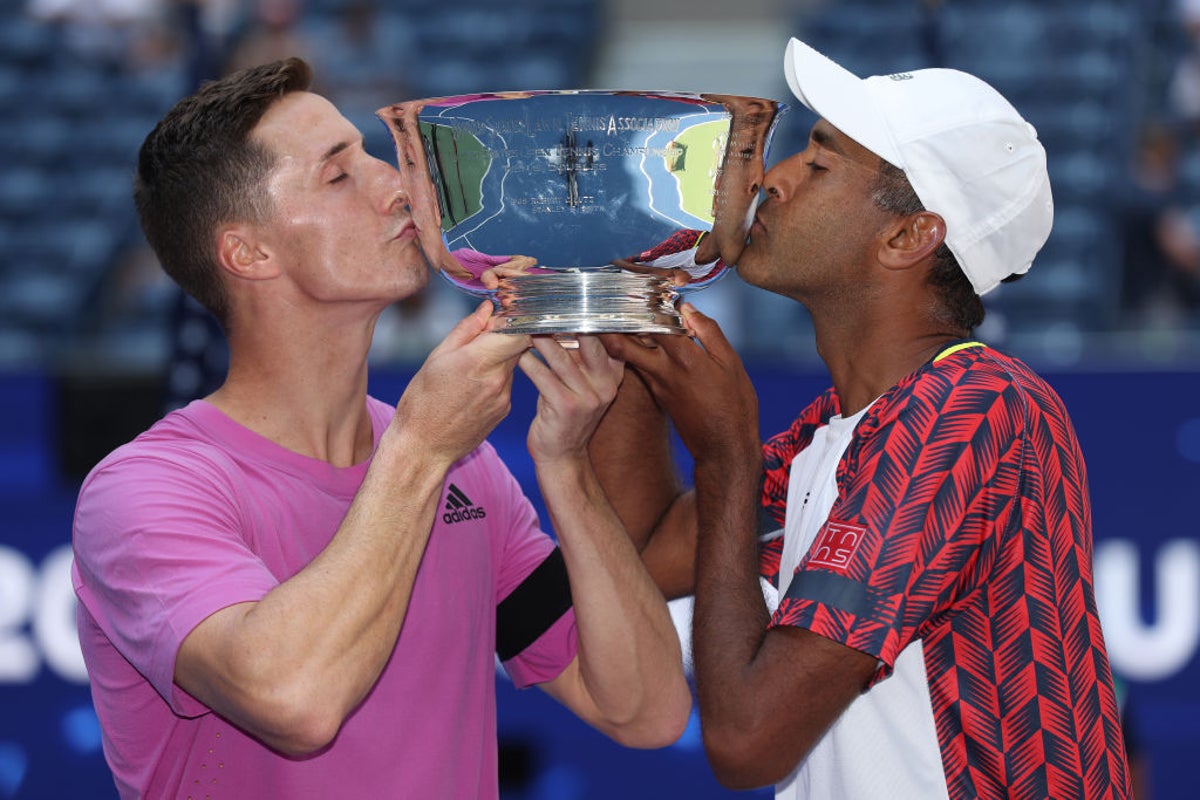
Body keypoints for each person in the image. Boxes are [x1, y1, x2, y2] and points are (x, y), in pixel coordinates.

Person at [70, 57, 691, 799]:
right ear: (248, 252)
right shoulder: (144, 492)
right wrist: (422, 449)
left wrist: (565, 463)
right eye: (338, 175)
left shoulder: (467, 470)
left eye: (370, 155)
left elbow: (646, 710)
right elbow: (294, 701)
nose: (398, 186)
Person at [593, 37, 1133, 799]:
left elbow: (747, 744)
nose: (772, 180)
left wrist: (724, 457)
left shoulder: (974, 409)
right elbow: (641, 558)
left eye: (818, 163)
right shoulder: (839, 429)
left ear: (909, 237)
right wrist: (632, 303)